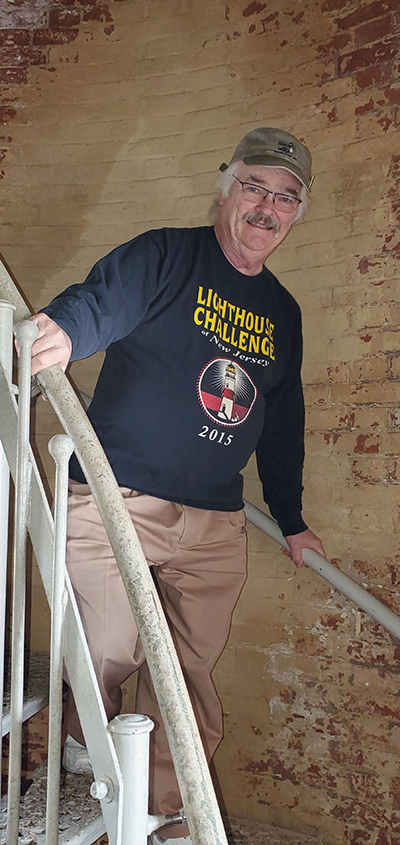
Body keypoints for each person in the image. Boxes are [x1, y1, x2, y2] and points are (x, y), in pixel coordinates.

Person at [29, 127, 325, 844]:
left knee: (187, 675)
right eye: (255, 186)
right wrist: (64, 332)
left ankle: (164, 813)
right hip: (115, 500)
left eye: (286, 197)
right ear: (226, 188)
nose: (268, 207)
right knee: (109, 646)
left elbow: (282, 421)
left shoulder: (283, 312)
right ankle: (85, 729)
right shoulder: (165, 255)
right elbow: (102, 300)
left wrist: (289, 515)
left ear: (296, 214)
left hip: (216, 522)